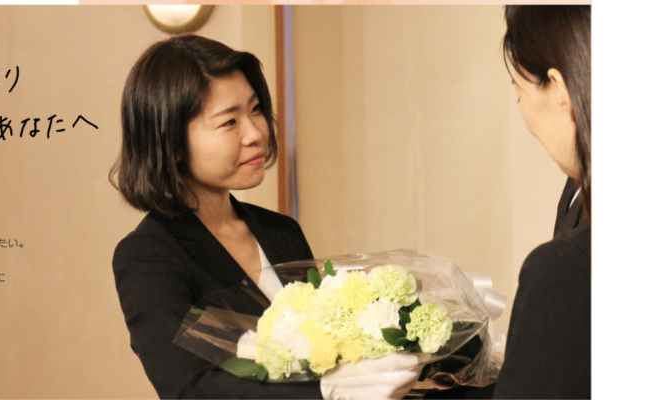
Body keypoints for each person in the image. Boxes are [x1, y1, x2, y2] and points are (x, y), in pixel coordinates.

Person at [110, 35, 421, 399]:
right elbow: (188, 387)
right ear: (171, 142)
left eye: (255, 109)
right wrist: (328, 392)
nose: (256, 133)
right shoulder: (148, 255)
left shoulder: (281, 231)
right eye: (229, 122)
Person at [497, 5, 591, 399]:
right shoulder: (575, 196)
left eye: (520, 92)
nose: (523, 112)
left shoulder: (565, 268)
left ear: (559, 89)